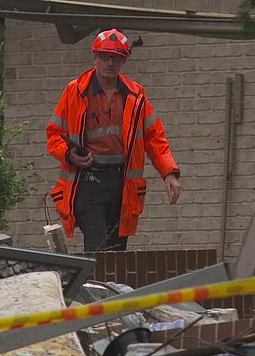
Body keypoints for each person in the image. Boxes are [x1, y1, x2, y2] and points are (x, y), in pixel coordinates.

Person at [46, 28, 181, 252]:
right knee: (97, 245)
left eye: (116, 58)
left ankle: (110, 286)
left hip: (122, 183)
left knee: (117, 250)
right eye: (105, 56)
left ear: (123, 61)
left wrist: (169, 173)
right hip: (87, 182)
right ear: (95, 57)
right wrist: (69, 155)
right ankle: (94, 285)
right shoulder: (75, 92)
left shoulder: (136, 96)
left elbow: (155, 138)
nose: (110, 62)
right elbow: (54, 134)